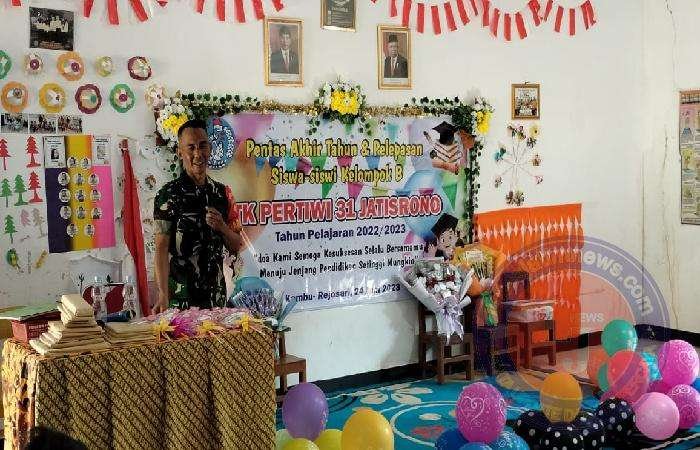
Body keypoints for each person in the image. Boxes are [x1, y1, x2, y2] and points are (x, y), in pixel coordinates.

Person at [152, 119, 242, 313]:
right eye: (191, 147)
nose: (197, 154)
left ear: (210, 148)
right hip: (181, 299)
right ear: (180, 152)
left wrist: (222, 227)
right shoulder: (168, 195)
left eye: (202, 146)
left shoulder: (222, 193)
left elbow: (237, 244)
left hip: (215, 300)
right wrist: (162, 295)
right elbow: (161, 249)